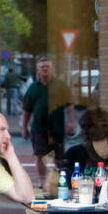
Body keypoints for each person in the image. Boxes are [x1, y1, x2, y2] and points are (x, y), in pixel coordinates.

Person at [21, 57, 75, 185]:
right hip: (39, 128)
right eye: (42, 67)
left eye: (47, 66)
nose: (45, 69)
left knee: (59, 157)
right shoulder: (33, 87)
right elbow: (26, 109)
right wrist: (24, 127)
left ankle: (60, 180)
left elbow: (70, 105)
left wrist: (71, 122)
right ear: (38, 70)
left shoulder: (61, 85)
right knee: (40, 156)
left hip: (57, 127)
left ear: (52, 69)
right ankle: (42, 181)